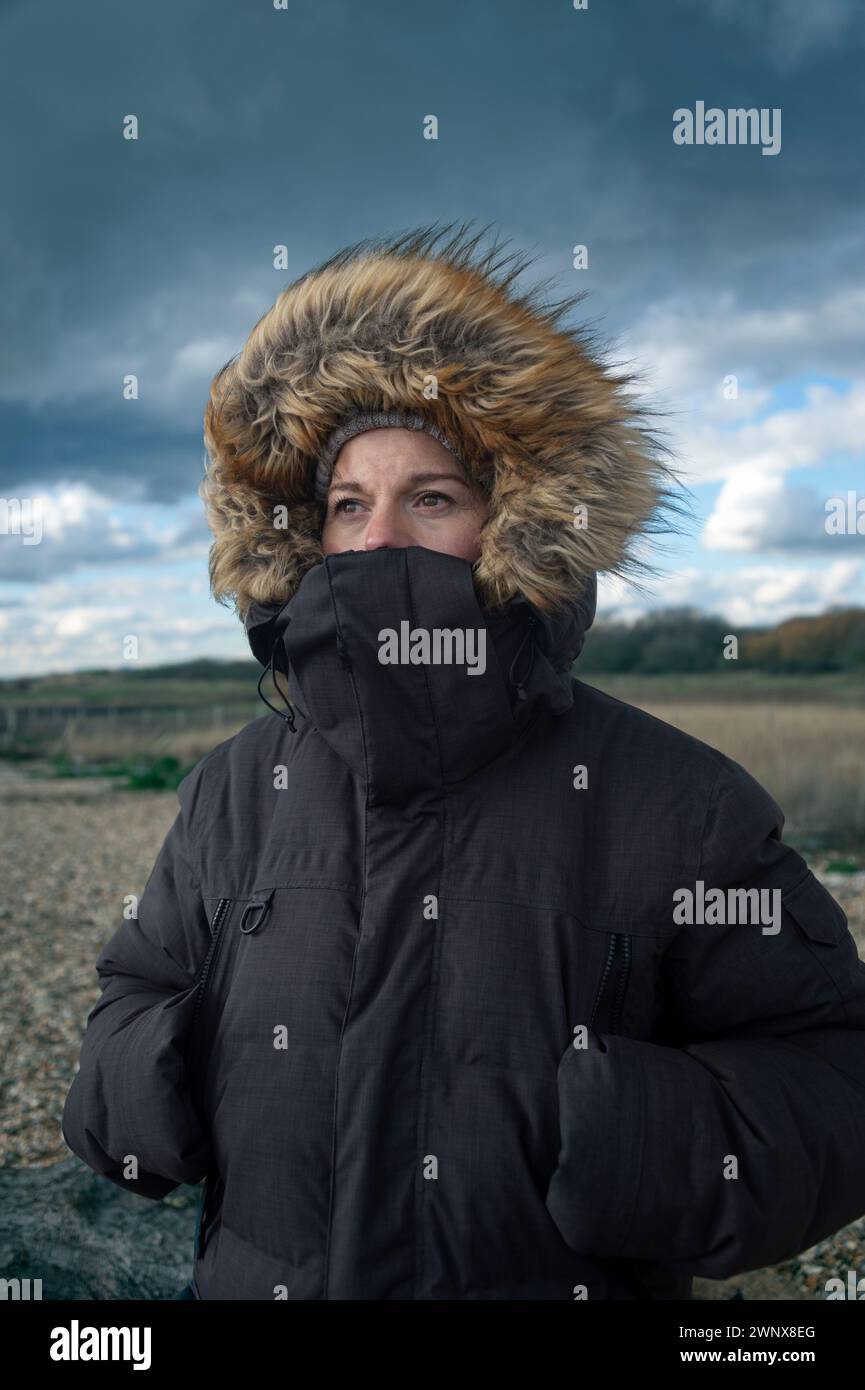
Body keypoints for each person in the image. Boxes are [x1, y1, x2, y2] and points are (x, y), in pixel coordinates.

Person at [62, 221, 865, 1301]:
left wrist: (624, 1141)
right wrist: (157, 1087)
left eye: (430, 497)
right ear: (305, 532)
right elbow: (137, 986)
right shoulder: (234, 790)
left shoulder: (677, 802)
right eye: (349, 504)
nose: (380, 536)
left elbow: (830, 1067)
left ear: (513, 521)